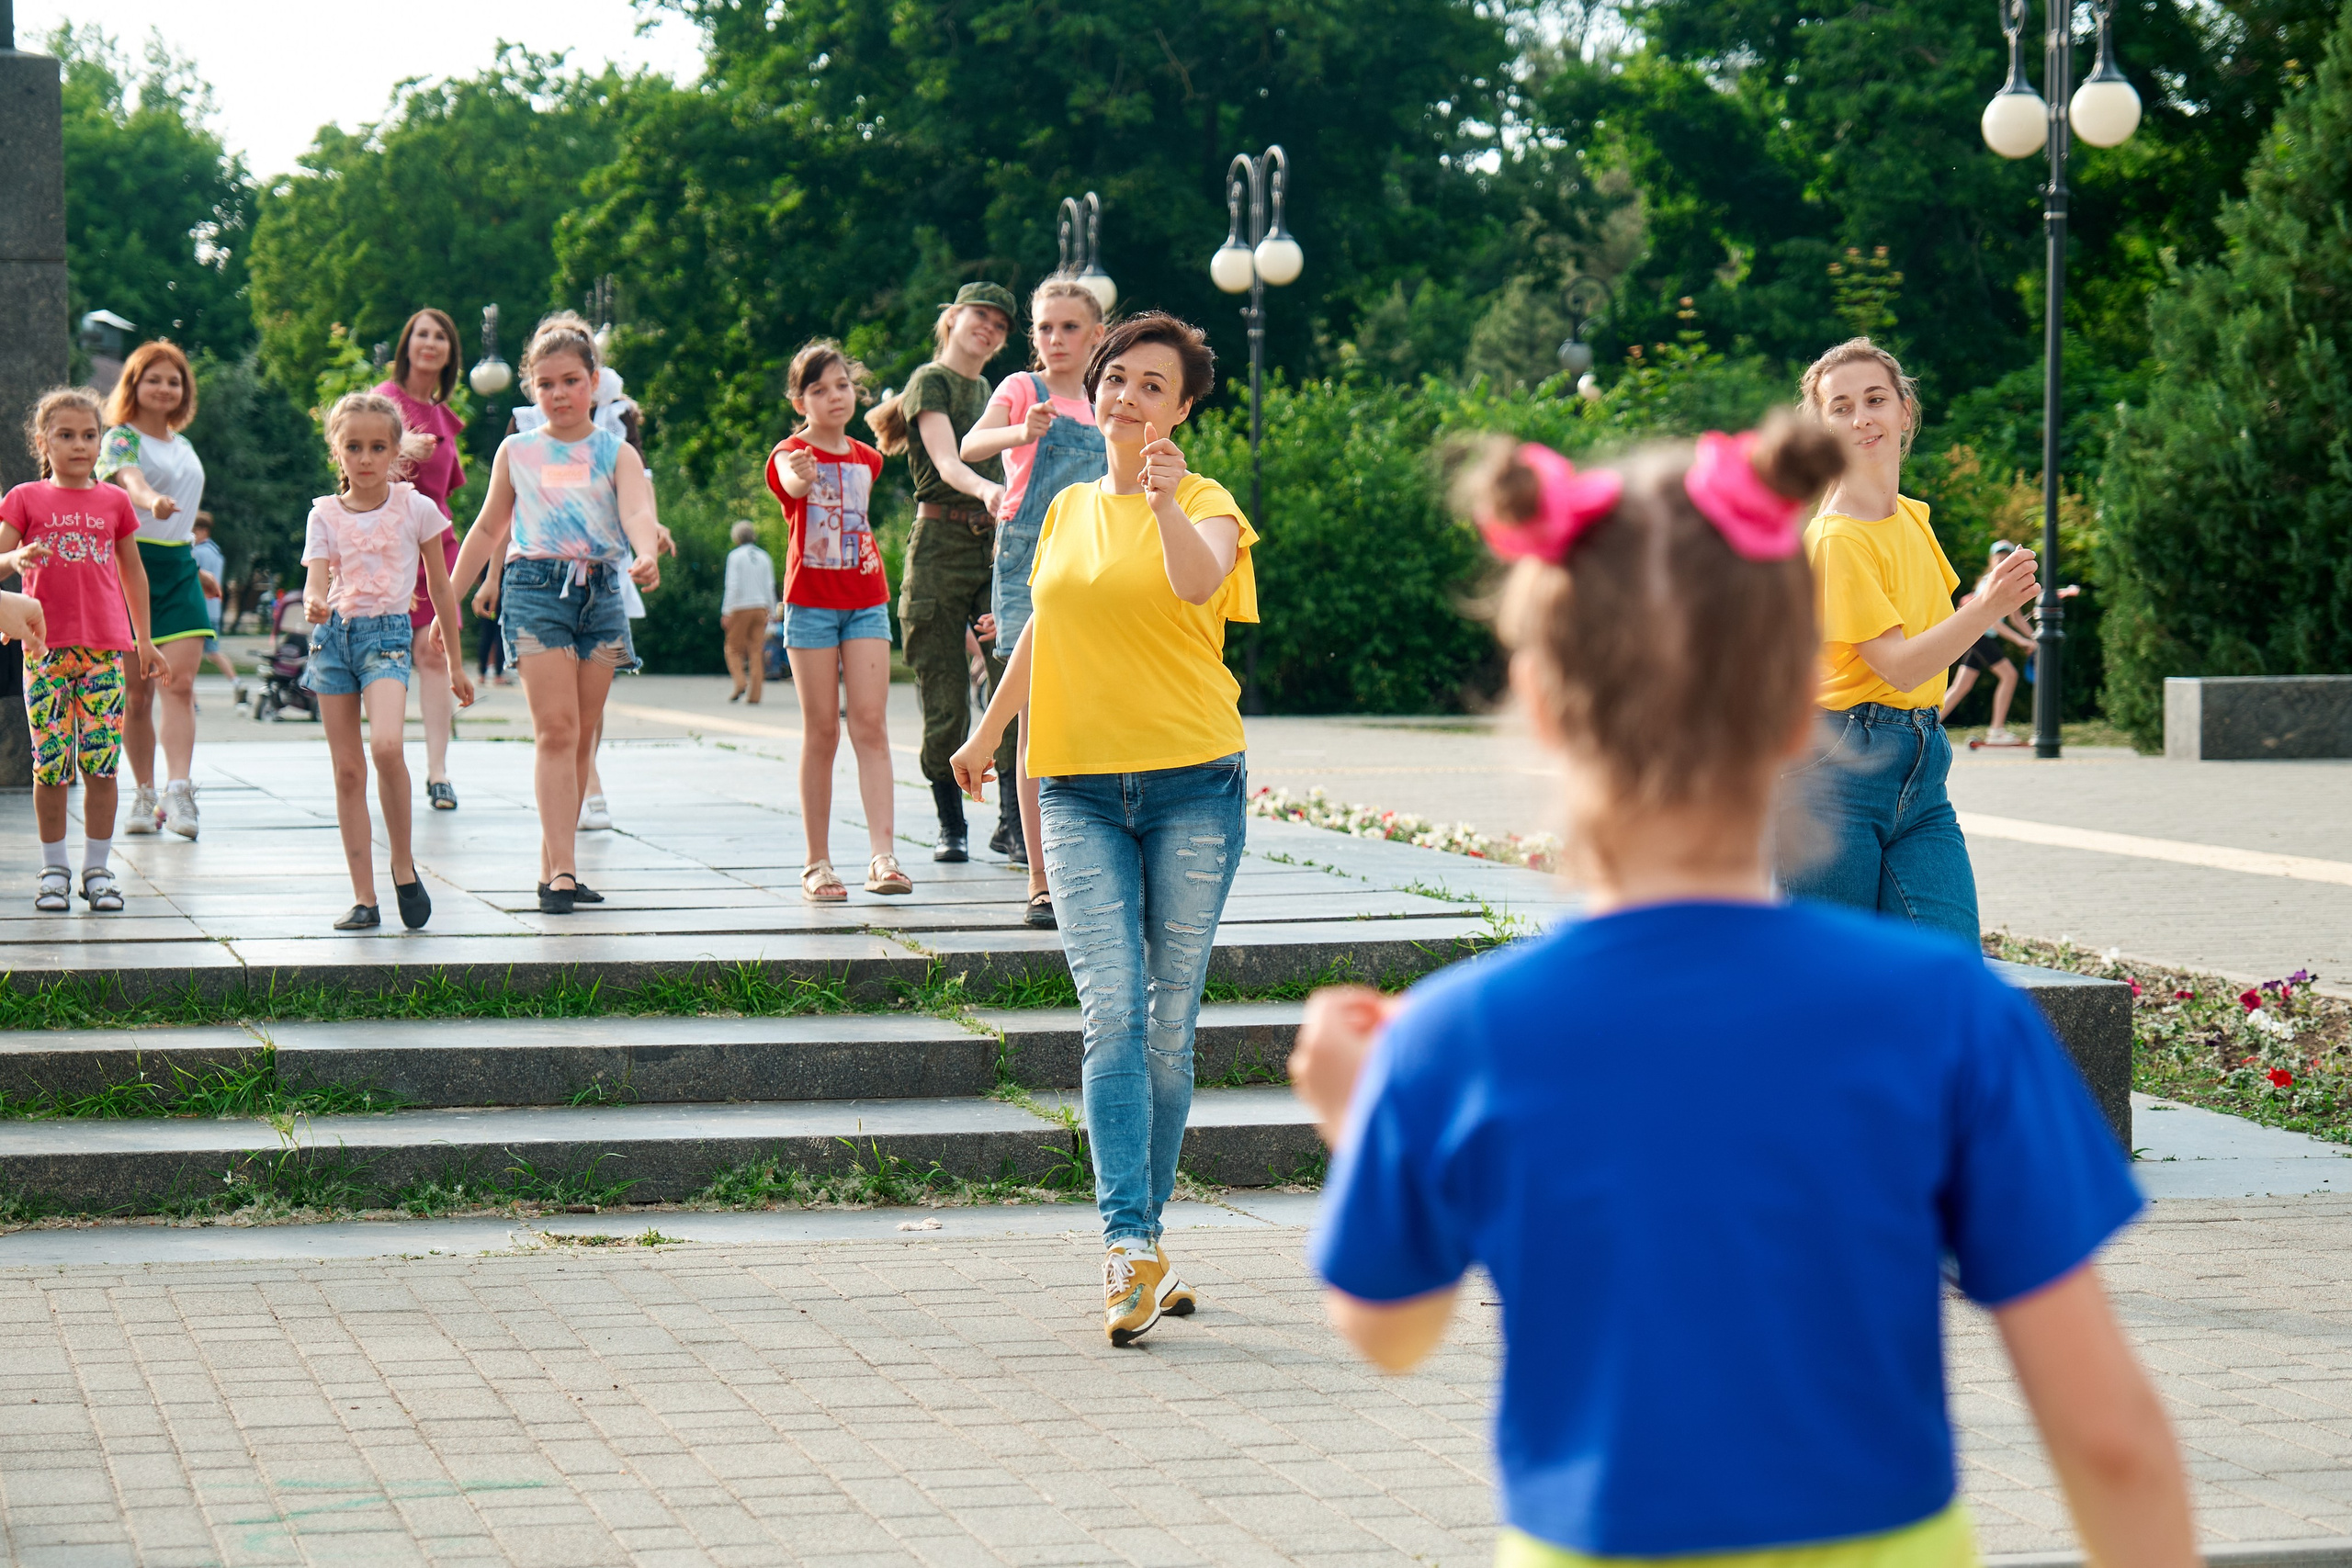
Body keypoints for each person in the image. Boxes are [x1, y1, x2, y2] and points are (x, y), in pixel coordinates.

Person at [1290, 416, 2197, 1568]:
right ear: (1790, 708)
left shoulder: (1458, 1038)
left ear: (1546, 702)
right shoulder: (1947, 1014)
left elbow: (1389, 1327)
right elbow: (2110, 1438)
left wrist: (1355, 1114)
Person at [950, 312, 1255, 1346]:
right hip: (1074, 785)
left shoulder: (1208, 504)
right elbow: (1046, 622)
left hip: (1192, 786)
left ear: (1183, 406)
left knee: (1170, 1023)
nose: (1126, 397)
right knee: (1110, 1011)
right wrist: (987, 733)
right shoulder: (1068, 504)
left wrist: (1164, 497)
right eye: (1117, 379)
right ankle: (1128, 1243)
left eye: (1152, 386)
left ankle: (1150, 1238)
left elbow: (1192, 581)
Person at [1780, 337, 2038, 940]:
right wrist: (1990, 607)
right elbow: (1895, 665)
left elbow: (1933, 644)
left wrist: (1988, 603)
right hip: (1834, 773)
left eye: (1874, 399)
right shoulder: (1838, 538)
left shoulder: (1912, 519)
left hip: (1922, 768)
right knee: (1829, 985)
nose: (1861, 417)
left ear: (1904, 412)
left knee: (1947, 969)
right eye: (1839, 407)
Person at [449, 312, 662, 915]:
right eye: (546, 384)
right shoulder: (517, 450)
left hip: (600, 595)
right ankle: (564, 871)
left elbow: (638, 512)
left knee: (581, 739)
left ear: (594, 382)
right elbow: (489, 526)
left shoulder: (614, 451)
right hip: (535, 588)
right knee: (557, 730)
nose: (559, 393)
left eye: (571, 380)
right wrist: (449, 602)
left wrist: (645, 553)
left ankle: (553, 867)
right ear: (531, 390)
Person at [960, 278, 1108, 928]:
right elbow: (970, 446)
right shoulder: (1024, 389)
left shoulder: (1110, 397)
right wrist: (1020, 429)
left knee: (1097, 715)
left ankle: (1096, 864)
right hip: (1029, 559)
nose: (1055, 339)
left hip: (1099, 562)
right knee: (1034, 720)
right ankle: (1042, 880)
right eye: (1045, 328)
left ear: (1097, 335)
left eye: (1070, 327)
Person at [301, 393, 475, 931]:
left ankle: (402, 863)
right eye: (354, 447)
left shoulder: (416, 508)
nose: (366, 458)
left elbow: (441, 588)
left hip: (390, 638)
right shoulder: (324, 513)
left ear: (397, 451)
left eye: (378, 447)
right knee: (348, 770)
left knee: (387, 746)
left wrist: (455, 662)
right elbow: (316, 578)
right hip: (333, 642)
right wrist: (312, 601)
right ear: (337, 451)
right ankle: (363, 897)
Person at [867, 281, 1019, 863]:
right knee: (943, 692)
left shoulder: (988, 388)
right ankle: (950, 824)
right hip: (938, 542)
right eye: (980, 316)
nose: (989, 329)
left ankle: (1011, 823)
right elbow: (948, 459)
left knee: (1009, 679)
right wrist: (988, 490)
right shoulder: (930, 382)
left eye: (1001, 325)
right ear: (952, 319)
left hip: (991, 545)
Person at [0, 388, 162, 913]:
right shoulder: (24, 499)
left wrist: (145, 640)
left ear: (101, 442)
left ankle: (97, 869)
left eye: (89, 435)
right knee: (50, 764)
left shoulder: (114, 502)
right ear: (42, 442)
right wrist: (16, 555)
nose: (79, 445)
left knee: (102, 765)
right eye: (65, 435)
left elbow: (133, 573)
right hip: (43, 652)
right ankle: (53, 870)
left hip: (104, 654)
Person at [766, 340, 909, 903]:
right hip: (811, 606)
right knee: (822, 730)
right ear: (800, 399)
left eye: (842, 386)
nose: (833, 397)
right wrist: (799, 472)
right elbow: (792, 482)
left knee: (870, 725)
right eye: (819, 390)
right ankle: (817, 863)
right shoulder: (790, 451)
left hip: (867, 599)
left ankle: (884, 857)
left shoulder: (867, 457)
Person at [96, 340, 210, 840]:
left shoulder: (183, 446)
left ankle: (179, 790)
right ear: (134, 384)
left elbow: (185, 511)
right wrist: (152, 502)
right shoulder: (120, 438)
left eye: (174, 380)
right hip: (129, 564)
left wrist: (196, 562)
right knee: (137, 694)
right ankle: (144, 794)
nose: (165, 388)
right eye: (154, 379)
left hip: (179, 567)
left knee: (179, 685)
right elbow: (130, 482)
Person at [377, 308, 470, 811]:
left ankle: (438, 771)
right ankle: (389, 757)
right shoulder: (382, 402)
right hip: (388, 544)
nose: (430, 343)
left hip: (437, 544)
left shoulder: (444, 417)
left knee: (436, 651)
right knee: (388, 654)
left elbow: (447, 488)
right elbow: (354, 472)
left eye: (441, 337)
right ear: (406, 344)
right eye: (421, 334)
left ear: (451, 352)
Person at [1940, 539, 2039, 745]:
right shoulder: (1989, 583)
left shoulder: (2007, 585)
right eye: (1999, 556)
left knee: (1962, 685)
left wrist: (2036, 639)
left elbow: (2016, 618)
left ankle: (1927, 725)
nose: (2002, 559)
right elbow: (1993, 622)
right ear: (1992, 560)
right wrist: (2021, 641)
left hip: (1975, 635)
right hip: (1979, 634)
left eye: (2007, 557)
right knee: (2009, 675)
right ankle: (1996, 731)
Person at [187, 513, 244, 702]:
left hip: (197, 609)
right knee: (213, 652)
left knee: (187, 656)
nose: (192, 535)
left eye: (194, 530)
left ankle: (190, 699)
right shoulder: (216, 553)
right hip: (213, 610)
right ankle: (237, 682)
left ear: (204, 530)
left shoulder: (198, 553)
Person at [719, 519, 777, 705]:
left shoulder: (735, 556)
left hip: (740, 607)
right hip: (761, 607)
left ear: (736, 538)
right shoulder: (764, 556)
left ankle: (740, 682)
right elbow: (770, 585)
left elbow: (732, 585)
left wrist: (727, 611)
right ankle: (755, 695)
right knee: (756, 650)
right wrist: (773, 610)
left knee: (732, 649)